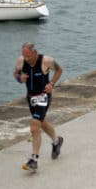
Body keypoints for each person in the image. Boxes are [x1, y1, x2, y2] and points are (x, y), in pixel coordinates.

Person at [14, 43, 64, 172]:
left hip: (43, 97)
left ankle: (34, 160)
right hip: (30, 98)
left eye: (28, 56)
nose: (26, 59)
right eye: (24, 56)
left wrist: (51, 83)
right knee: (41, 123)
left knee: (34, 126)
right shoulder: (21, 61)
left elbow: (59, 70)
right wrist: (20, 78)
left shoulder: (46, 61)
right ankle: (56, 141)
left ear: (35, 52)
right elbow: (16, 74)